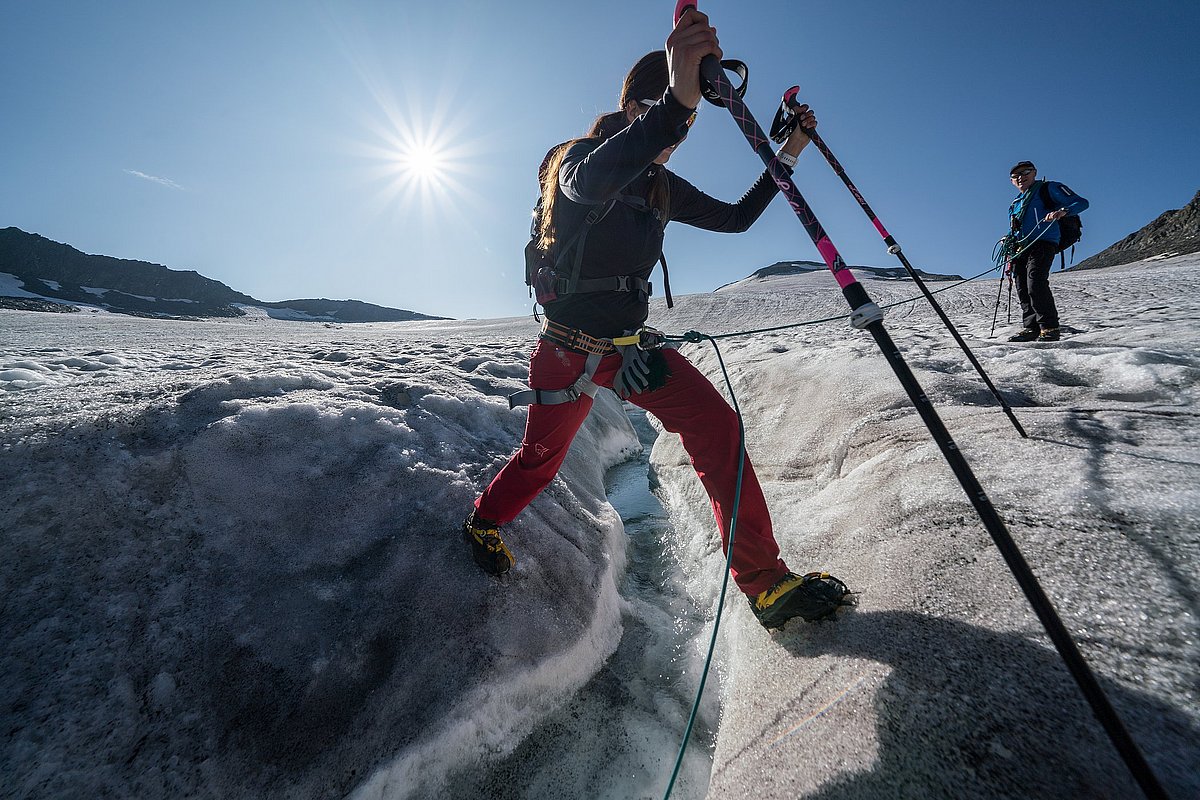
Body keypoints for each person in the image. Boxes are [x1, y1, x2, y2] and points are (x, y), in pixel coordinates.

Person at [462, 9, 849, 630]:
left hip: (628, 351)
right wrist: (678, 100)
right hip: (567, 352)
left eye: (688, 122)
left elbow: (737, 217)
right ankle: (483, 521)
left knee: (719, 429)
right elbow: (590, 185)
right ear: (643, 105)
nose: (681, 137)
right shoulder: (578, 159)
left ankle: (766, 585)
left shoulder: (661, 185)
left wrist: (791, 148)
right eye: (678, 120)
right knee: (541, 460)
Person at [1005, 160, 1089, 342]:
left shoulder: (1048, 189)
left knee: (1035, 282)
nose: (1021, 177)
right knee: (1022, 287)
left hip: (1044, 241)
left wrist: (1063, 211)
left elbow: (1081, 203)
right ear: (1012, 181)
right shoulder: (1015, 203)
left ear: (1034, 173)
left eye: (1025, 172)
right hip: (1021, 248)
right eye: (1016, 176)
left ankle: (1049, 327)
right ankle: (1031, 328)